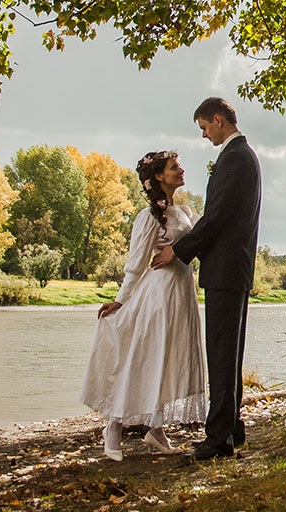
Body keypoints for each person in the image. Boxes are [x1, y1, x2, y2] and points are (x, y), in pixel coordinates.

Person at [151, 97, 261, 461]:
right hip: (233, 268)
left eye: (203, 127)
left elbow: (216, 219)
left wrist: (178, 251)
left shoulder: (236, 158)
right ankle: (232, 427)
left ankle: (218, 440)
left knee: (222, 353)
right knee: (229, 353)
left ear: (218, 120)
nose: (203, 134)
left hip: (226, 270)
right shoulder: (241, 157)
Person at [80, 151, 208, 461]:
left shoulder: (186, 212)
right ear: (159, 177)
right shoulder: (149, 217)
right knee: (145, 357)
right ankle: (113, 426)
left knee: (168, 359)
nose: (180, 170)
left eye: (179, 165)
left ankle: (155, 428)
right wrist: (121, 302)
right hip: (158, 297)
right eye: (173, 167)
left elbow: (201, 239)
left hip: (183, 296)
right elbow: (136, 265)